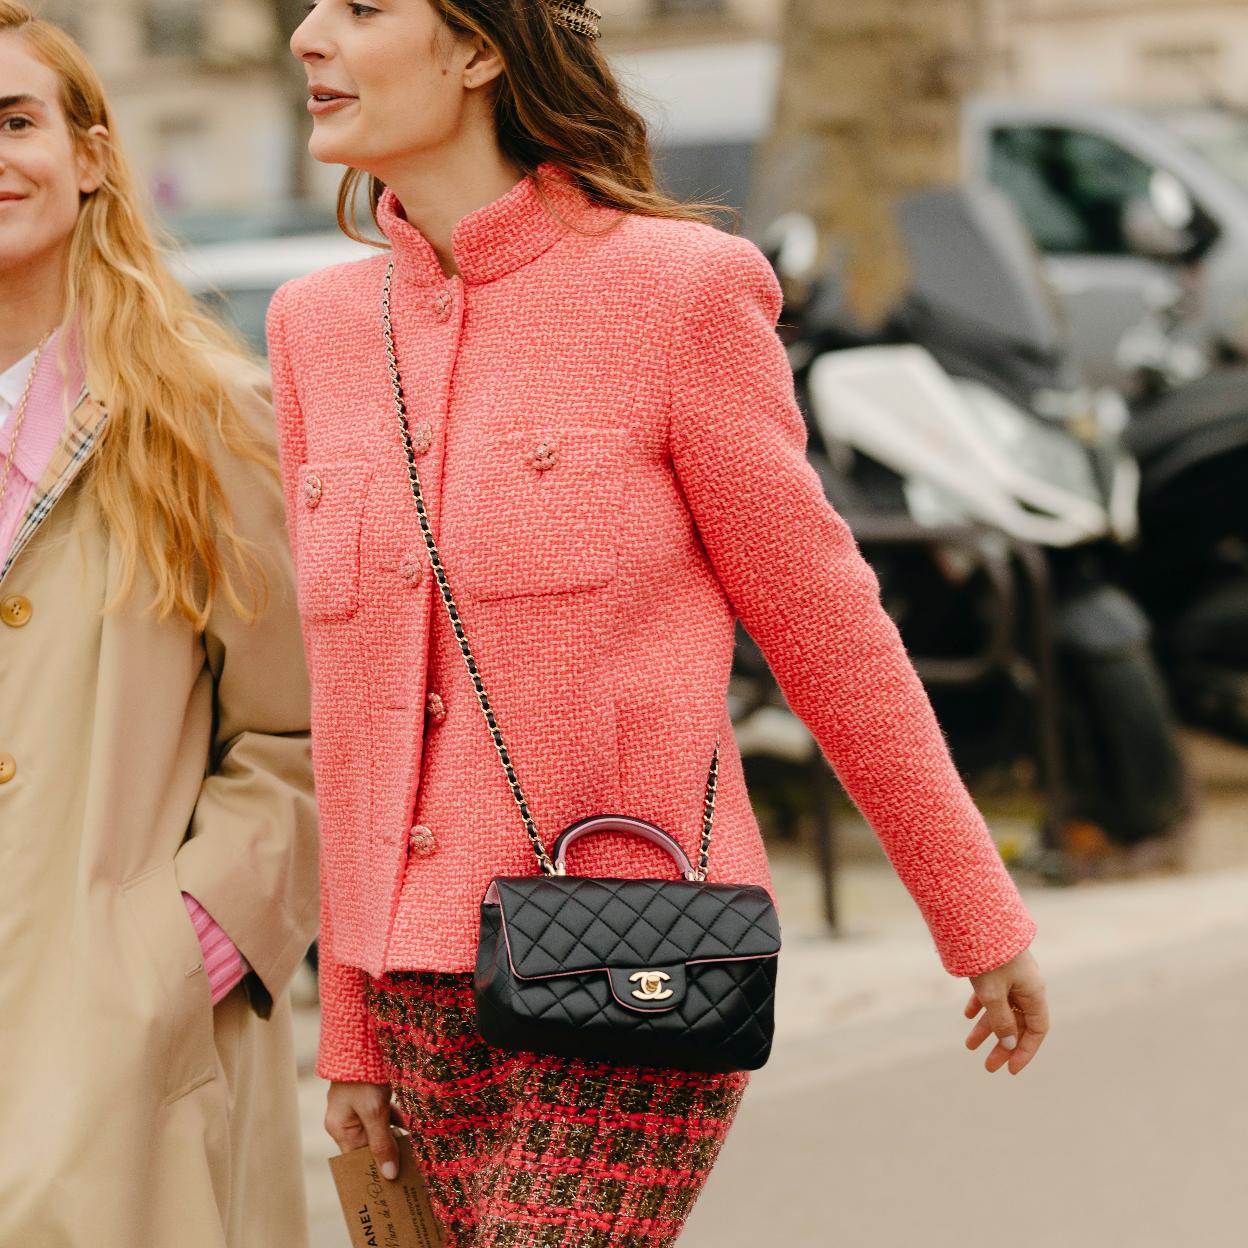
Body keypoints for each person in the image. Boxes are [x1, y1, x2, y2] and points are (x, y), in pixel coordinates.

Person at [270, 2, 1051, 1245]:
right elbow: (350, 705)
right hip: (413, 988)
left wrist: (973, 907)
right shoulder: (314, 331)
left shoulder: (677, 290)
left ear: (479, 48)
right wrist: (350, 1030)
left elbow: (825, 623)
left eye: (361, 6)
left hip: (638, 956)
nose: (309, 35)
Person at [0, 6, 318, 1246]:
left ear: (89, 153)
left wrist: (179, 955)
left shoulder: (207, 421)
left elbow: (296, 735)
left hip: (116, 1052)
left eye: (14, 120)